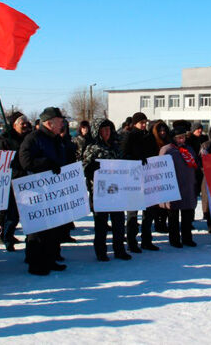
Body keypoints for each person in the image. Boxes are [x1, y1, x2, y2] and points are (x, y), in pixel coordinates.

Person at [18, 107, 74, 275]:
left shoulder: (57, 139)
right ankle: (36, 264)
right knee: (38, 229)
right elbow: (25, 161)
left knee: (53, 228)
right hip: (36, 191)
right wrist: (47, 164)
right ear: (50, 123)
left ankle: (50, 259)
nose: (62, 124)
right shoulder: (33, 138)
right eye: (59, 121)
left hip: (53, 190)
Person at [82, 118, 131, 261]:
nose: (107, 132)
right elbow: (84, 167)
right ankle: (101, 251)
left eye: (108, 129)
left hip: (117, 190)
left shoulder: (116, 146)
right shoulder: (92, 148)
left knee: (118, 222)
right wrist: (91, 169)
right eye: (103, 130)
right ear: (97, 131)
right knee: (101, 224)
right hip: (100, 191)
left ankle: (119, 249)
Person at [0, 112, 31, 251]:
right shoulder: (5, 140)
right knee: (12, 214)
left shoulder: (29, 138)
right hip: (12, 180)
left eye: (26, 122)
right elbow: (0, 160)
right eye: (22, 123)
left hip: (27, 178)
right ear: (14, 125)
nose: (25, 125)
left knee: (26, 213)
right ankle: (7, 237)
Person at [120, 112, 158, 253]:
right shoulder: (129, 136)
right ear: (134, 123)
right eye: (141, 123)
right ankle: (131, 241)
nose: (144, 125)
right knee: (133, 213)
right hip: (133, 178)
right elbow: (123, 155)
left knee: (149, 211)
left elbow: (154, 152)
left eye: (145, 122)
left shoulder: (148, 136)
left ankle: (147, 240)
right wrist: (136, 160)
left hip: (148, 177)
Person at [159, 127, 200, 247]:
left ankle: (187, 238)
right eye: (179, 137)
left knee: (187, 215)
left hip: (187, 186)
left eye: (183, 137)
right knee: (173, 216)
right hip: (174, 187)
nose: (182, 139)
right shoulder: (167, 150)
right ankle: (174, 239)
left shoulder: (189, 149)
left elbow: (196, 164)